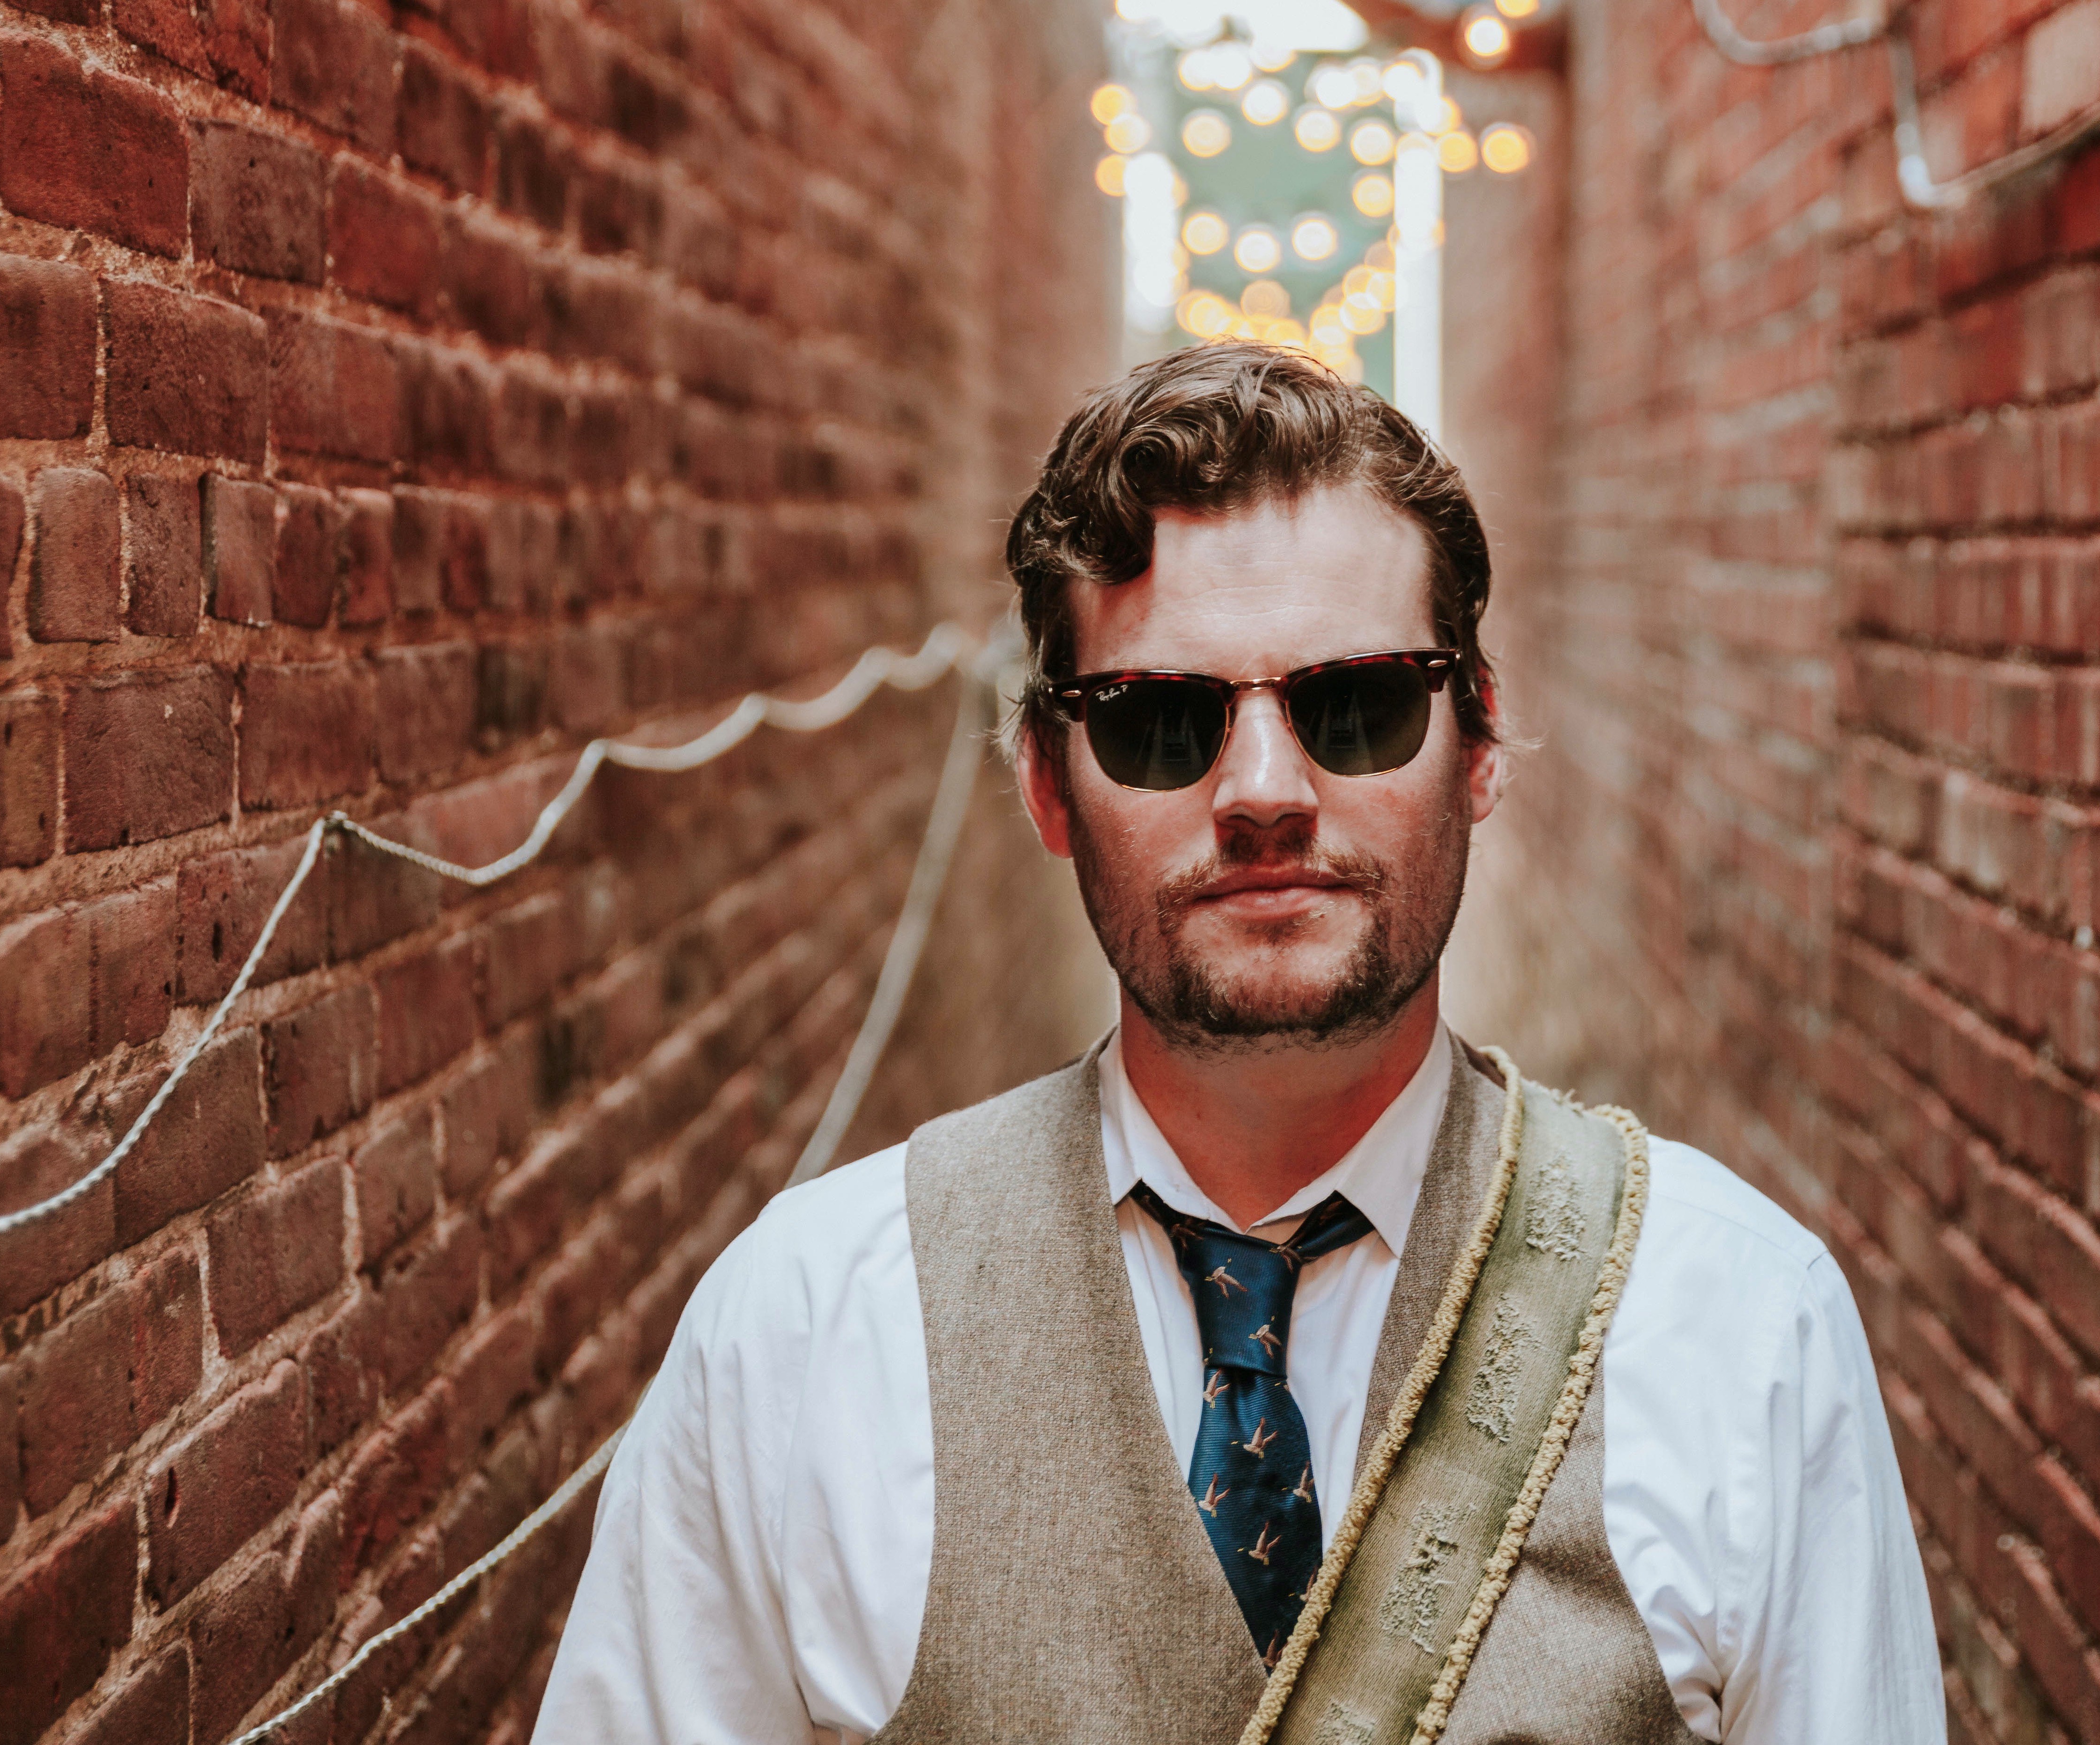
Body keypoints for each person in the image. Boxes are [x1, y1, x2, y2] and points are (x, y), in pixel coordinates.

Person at [531, 345, 1946, 1744]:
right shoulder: (802, 1332)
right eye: (1160, 722)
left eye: (1357, 703)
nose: (1262, 792)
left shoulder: (1738, 1327)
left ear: (1483, 741)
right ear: (1043, 781)